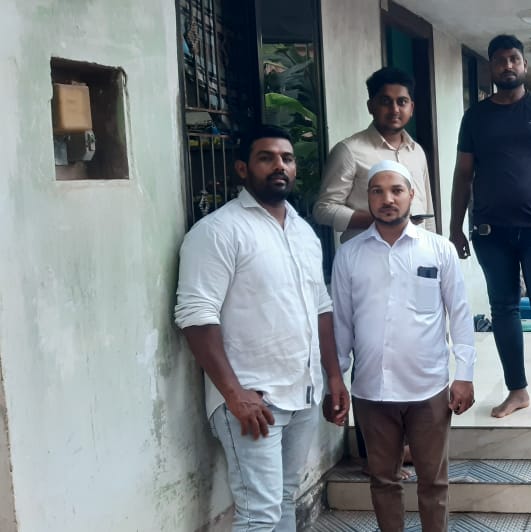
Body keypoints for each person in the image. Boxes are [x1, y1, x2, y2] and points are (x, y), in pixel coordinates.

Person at [175, 125, 350, 532]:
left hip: (303, 392)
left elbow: (321, 307)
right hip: (253, 398)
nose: (279, 166)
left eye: (287, 158)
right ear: (242, 168)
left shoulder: (303, 232)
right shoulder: (218, 231)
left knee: (284, 498)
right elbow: (196, 315)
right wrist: (234, 393)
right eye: (266, 158)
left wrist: (333, 377)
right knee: (259, 513)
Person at [330, 160, 476, 532]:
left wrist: (464, 375)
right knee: (383, 480)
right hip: (371, 390)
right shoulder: (350, 254)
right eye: (377, 191)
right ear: (368, 198)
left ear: (412, 194)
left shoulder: (438, 249)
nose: (387, 199)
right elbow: (341, 323)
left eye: (396, 190)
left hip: (428, 388)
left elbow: (460, 315)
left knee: (434, 482)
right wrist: (336, 381)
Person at [449, 34, 531, 418]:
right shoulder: (475, 117)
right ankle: (517, 390)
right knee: (503, 308)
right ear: (491, 67)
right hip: (491, 233)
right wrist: (455, 227)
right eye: (500, 60)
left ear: (524, 65)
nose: (507, 65)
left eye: (513, 59)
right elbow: (463, 174)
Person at [316, 67, 435, 242]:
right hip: (367, 252)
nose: (394, 109)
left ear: (411, 108)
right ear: (371, 106)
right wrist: (380, 221)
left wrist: (433, 245)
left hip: (416, 251)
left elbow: (426, 208)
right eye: (386, 101)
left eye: (402, 102)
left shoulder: (416, 151)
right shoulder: (349, 151)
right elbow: (324, 209)